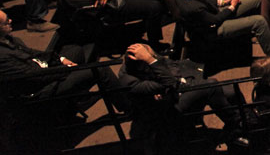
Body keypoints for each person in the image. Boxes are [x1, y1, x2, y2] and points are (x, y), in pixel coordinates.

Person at [118, 43, 249, 148]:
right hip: (165, 112)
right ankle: (236, 125)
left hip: (175, 91)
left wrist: (168, 80)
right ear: (142, 65)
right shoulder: (129, 81)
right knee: (211, 85)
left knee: (231, 90)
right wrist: (152, 61)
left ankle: (246, 119)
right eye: (150, 58)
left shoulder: (148, 62)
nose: (155, 58)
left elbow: (172, 66)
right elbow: (168, 82)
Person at [0, 9, 130, 113]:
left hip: (43, 70)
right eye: (6, 22)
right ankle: (128, 107)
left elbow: (35, 53)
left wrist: (61, 59)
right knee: (100, 70)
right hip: (41, 89)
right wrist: (67, 69)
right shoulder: (2, 57)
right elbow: (34, 77)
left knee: (74, 51)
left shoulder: (10, 39)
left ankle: (77, 96)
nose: (11, 21)